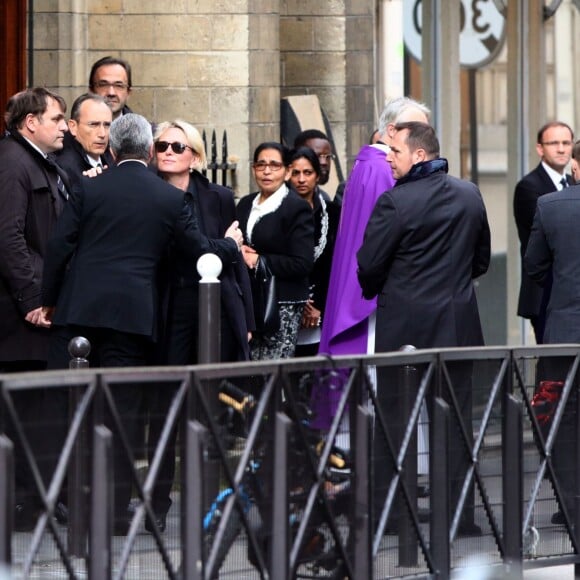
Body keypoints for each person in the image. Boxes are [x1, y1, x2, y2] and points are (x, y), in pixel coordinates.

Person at [40, 113, 243, 534]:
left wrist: (50, 300)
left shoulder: (88, 187)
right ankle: (114, 513)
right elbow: (198, 251)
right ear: (150, 151)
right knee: (122, 414)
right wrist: (232, 245)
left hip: (80, 310)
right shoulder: (169, 199)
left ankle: (75, 506)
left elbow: (60, 247)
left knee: (74, 409)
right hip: (132, 317)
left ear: (112, 149)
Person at [357, 121, 491, 535]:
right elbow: (481, 260)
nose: (388, 159)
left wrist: (387, 287)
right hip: (458, 325)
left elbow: (368, 265)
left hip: (406, 331)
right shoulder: (470, 193)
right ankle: (460, 517)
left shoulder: (395, 201)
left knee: (396, 420)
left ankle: (395, 516)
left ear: (419, 154)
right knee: (455, 421)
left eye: (394, 151)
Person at [146, 119, 254, 531]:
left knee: (215, 404)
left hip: (214, 307)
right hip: (168, 307)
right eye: (161, 145)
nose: (168, 152)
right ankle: (156, 503)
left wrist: (242, 315)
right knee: (165, 406)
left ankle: (210, 499)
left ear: (194, 154)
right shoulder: (149, 192)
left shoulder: (219, 196)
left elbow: (235, 260)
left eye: (177, 145)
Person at [312, 97, 430, 430]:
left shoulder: (368, 164)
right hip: (376, 294)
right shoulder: (384, 168)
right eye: (416, 129)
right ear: (391, 131)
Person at [0, 87, 69, 530]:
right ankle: (21, 501)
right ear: (31, 123)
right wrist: (32, 299)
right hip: (19, 317)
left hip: (39, 310)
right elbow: (7, 237)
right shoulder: (12, 162)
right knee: (22, 412)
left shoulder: (39, 162)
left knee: (36, 410)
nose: (66, 127)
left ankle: (34, 497)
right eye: (58, 118)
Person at [525, 180, 580, 527]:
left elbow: (533, 266)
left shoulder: (550, 205)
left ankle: (571, 503)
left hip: (565, 330)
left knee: (562, 417)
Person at [236, 142, 314, 360]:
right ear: (253, 169)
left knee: (272, 372)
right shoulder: (244, 204)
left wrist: (259, 259)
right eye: (261, 165)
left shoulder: (295, 207)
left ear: (287, 171)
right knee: (247, 371)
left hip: (282, 304)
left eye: (274, 165)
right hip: (250, 301)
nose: (267, 171)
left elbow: (302, 262)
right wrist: (238, 249)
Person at [513, 121, 574, 344]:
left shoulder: (570, 183)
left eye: (566, 142)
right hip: (544, 295)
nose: (561, 149)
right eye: (554, 143)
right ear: (540, 148)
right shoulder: (529, 187)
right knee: (554, 370)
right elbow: (542, 245)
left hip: (569, 296)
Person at [288, 147, 339, 357]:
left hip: (321, 308)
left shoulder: (333, 212)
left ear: (317, 175)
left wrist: (318, 306)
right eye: (295, 173)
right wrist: (300, 301)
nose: (301, 179)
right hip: (287, 305)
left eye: (307, 173)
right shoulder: (279, 212)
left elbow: (335, 264)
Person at [57, 93, 113, 188]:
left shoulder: (114, 159)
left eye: (107, 125)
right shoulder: (65, 169)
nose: (102, 134)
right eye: (93, 124)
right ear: (73, 127)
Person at [89, 55, 134, 120]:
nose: (111, 93)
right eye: (103, 85)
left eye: (118, 85)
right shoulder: (73, 129)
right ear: (91, 91)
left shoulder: (145, 129)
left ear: (128, 92)